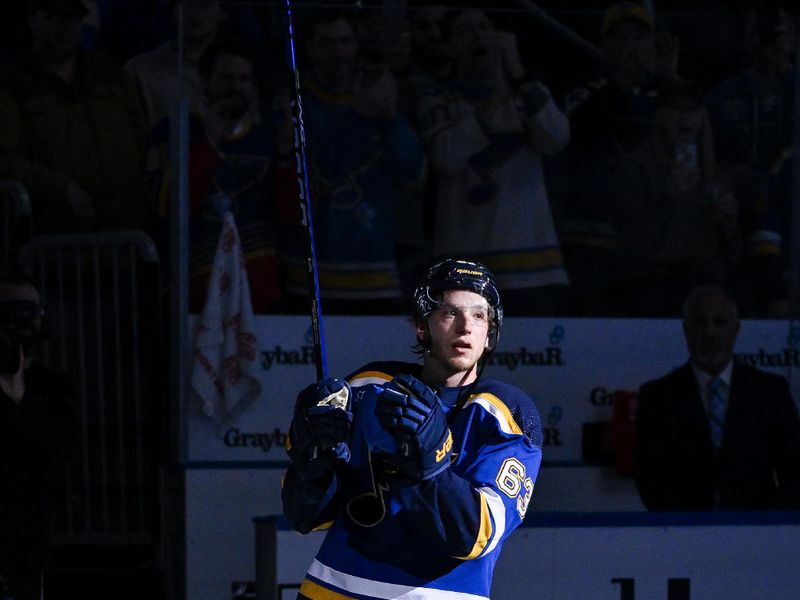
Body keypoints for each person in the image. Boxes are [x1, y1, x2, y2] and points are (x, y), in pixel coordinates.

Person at [282, 258, 543, 599]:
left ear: (490, 334)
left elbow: (474, 536)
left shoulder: (505, 414)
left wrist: (432, 465)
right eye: (450, 312)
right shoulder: (368, 387)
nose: (465, 326)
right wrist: (311, 461)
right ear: (422, 326)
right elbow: (305, 517)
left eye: (479, 315)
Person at [416, 7, 570, 315]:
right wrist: (492, 109)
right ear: (449, 47)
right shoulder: (437, 99)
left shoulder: (529, 92)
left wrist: (517, 76)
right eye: (465, 30)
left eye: (484, 26)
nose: (478, 35)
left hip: (533, 264)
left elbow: (557, 138)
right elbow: (446, 157)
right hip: (464, 265)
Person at [276, 8, 426, 314]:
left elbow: (413, 172)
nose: (339, 52)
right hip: (310, 273)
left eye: (346, 42)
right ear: (310, 49)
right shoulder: (295, 103)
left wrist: (389, 119)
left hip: (377, 271)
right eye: (329, 43)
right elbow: (320, 179)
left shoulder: (380, 96)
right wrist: (359, 120)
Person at [146, 37, 284, 314]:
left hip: (261, 294)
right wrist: (207, 144)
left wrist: (287, 156)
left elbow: (290, 214)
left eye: (244, 79)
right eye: (226, 78)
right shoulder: (173, 132)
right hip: (194, 293)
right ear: (204, 80)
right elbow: (166, 206)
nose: (236, 87)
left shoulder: (268, 140)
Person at [634, 284, 800, 511]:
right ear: (685, 329)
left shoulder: (770, 392)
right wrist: (681, 528)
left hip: (759, 535)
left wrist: (770, 525)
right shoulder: (657, 398)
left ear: (736, 329)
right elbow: (650, 476)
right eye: (699, 323)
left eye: (719, 322)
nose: (709, 332)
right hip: (683, 536)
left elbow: (794, 468)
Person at [0, 0, 150, 236]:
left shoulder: (108, 73)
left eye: (73, 17)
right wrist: (61, 188)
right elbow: (5, 158)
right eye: (53, 16)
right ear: (32, 20)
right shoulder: (12, 82)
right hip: (54, 235)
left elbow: (141, 137)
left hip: (123, 230)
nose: (65, 26)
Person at [608, 82, 740, 316]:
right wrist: (668, 194)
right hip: (651, 287)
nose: (685, 118)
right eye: (676, 110)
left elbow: (731, 253)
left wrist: (728, 225)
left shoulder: (716, 174)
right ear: (661, 116)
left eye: (692, 110)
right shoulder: (634, 168)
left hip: (704, 288)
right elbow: (627, 240)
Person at [0, 272, 79, 600]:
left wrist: (20, 398)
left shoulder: (51, 385)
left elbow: (62, 446)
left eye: (28, 313)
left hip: (24, 541)